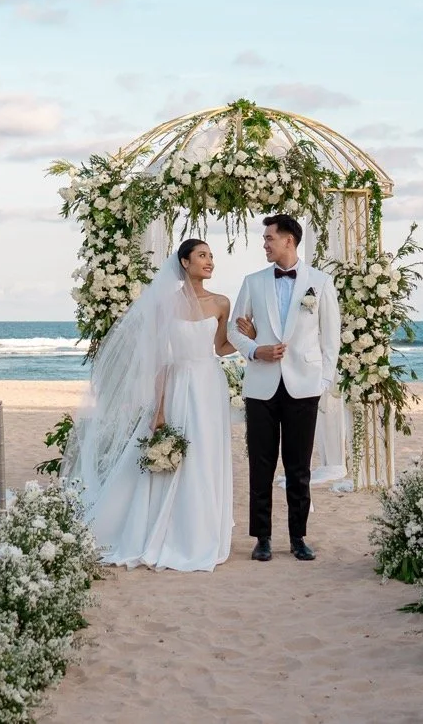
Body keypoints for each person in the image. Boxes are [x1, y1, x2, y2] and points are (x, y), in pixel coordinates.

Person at [63, 239, 235, 571]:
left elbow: (221, 346)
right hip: (178, 385)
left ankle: (203, 530)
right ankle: (172, 532)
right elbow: (158, 360)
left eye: (211, 256)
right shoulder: (164, 305)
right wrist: (157, 410)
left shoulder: (222, 303)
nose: (209, 261)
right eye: (202, 256)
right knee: (181, 453)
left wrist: (249, 338)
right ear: (184, 262)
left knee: (207, 455)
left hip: (210, 386)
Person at [228, 214, 341, 562]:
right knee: (261, 465)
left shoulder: (319, 282)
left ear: (289, 240)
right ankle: (262, 538)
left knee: (299, 467)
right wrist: (254, 349)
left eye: (269, 238)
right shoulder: (253, 281)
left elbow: (330, 337)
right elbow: (234, 329)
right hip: (261, 385)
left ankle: (298, 537)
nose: (265, 244)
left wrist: (322, 382)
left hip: (303, 386)